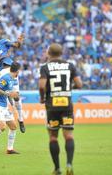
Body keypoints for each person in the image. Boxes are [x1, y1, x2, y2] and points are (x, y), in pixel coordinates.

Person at [39, 44, 82, 175]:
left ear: (49, 53)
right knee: (68, 135)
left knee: (53, 137)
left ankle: (57, 168)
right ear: (61, 53)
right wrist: (67, 88)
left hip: (52, 105)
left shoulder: (45, 67)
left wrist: (42, 98)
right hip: (66, 104)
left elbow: (42, 86)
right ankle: (69, 164)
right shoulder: (70, 66)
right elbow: (79, 84)